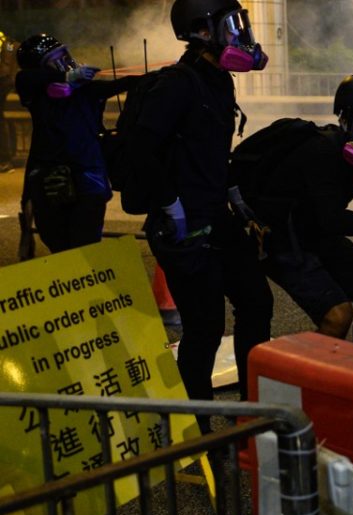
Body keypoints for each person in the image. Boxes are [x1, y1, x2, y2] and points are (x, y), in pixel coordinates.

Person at [125, 0, 273, 420]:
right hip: (184, 227)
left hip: (216, 217)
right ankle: (199, 423)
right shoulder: (178, 84)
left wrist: (238, 202)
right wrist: (169, 205)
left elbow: (212, 154)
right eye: (231, 25)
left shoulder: (220, 82)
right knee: (205, 328)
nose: (240, 33)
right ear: (202, 32)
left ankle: (250, 402)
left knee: (257, 302)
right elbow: (141, 150)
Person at [234, 74, 353, 347]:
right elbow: (334, 220)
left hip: (315, 234)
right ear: (346, 123)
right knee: (337, 317)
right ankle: (289, 383)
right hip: (282, 240)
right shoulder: (321, 152)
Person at [15, 34, 140, 254]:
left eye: (64, 56)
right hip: (51, 182)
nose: (65, 63)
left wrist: (160, 76)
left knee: (86, 245)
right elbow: (25, 79)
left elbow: (124, 83)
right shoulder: (36, 93)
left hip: (88, 179)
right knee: (60, 246)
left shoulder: (85, 90)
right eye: (55, 60)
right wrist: (66, 77)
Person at [0, 31, 18, 173]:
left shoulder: (5, 42)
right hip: (6, 82)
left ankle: (5, 159)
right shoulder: (6, 40)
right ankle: (6, 158)